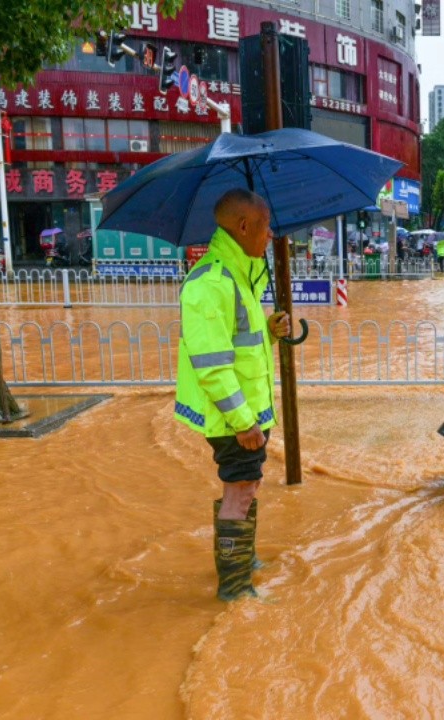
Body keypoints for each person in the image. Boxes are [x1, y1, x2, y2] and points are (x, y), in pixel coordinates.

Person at [175, 188, 292, 602]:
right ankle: (236, 588)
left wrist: (270, 332)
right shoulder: (211, 282)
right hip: (232, 416)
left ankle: (244, 560)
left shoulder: (240, 275)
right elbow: (212, 363)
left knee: (248, 484)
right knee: (240, 489)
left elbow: (242, 344)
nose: (269, 234)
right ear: (243, 226)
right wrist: (243, 422)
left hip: (247, 411)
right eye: (264, 227)